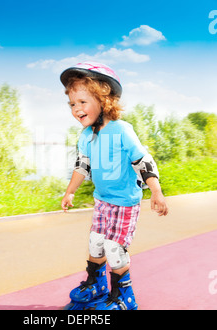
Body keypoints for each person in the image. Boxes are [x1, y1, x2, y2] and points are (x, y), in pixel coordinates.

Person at [60, 62, 168, 310]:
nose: (76, 109)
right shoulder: (86, 136)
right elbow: (82, 166)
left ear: (104, 98)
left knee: (114, 249)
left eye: (82, 102)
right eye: (72, 104)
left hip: (124, 203)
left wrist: (156, 192)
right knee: (95, 243)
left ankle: (124, 297)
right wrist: (70, 191)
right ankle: (96, 285)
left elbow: (143, 161)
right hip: (102, 200)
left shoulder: (122, 131)